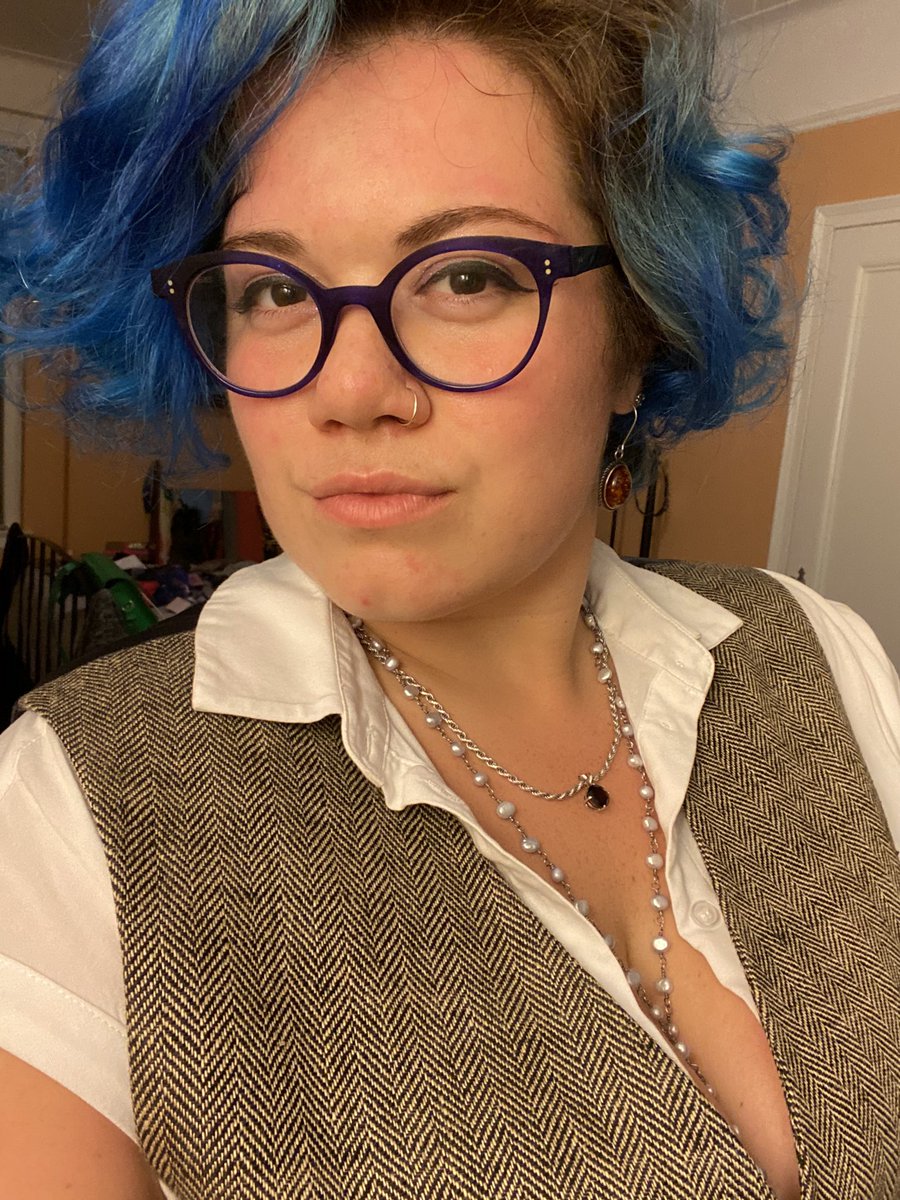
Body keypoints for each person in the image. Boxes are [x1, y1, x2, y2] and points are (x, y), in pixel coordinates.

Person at [1, 1, 898, 1197]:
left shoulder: (817, 651)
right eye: (272, 290)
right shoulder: (69, 814)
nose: (350, 390)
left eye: (466, 276)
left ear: (637, 329)